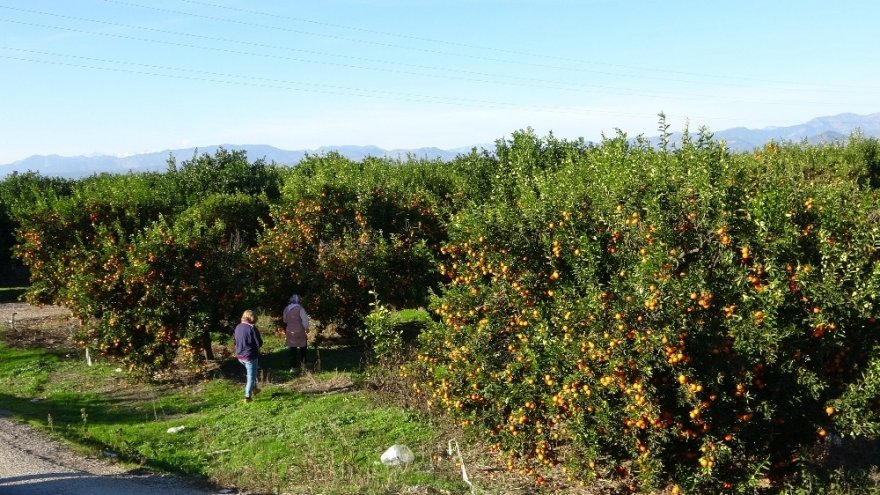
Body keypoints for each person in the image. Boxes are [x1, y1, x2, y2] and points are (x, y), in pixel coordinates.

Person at [233, 309, 263, 402]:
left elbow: (234, 341)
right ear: (252, 318)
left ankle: (254, 388)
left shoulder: (238, 327)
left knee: (251, 374)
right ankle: (247, 397)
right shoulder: (252, 328)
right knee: (251, 376)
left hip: (240, 356)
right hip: (250, 356)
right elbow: (259, 343)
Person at [283, 294, 310, 373]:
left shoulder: (286, 308)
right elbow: (304, 320)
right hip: (299, 330)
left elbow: (285, 320)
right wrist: (307, 328)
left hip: (289, 331)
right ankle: (303, 364)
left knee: (292, 349)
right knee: (303, 348)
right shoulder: (300, 309)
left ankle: (293, 366)